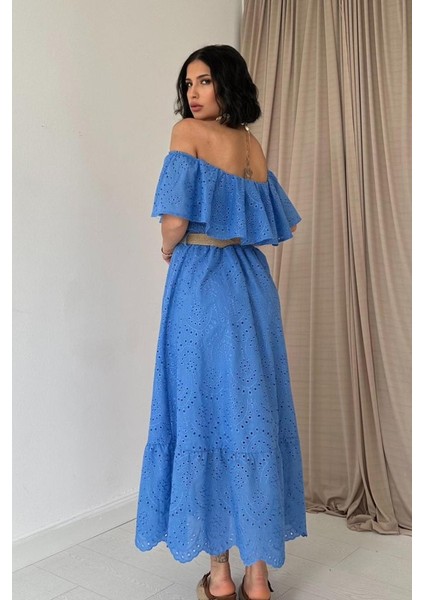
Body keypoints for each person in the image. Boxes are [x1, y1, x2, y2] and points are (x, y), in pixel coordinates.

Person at [135, 44, 307, 600]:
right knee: (251, 412)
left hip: (201, 281)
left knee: (203, 411)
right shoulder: (251, 145)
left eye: (204, 81)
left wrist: (169, 248)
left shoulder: (186, 134)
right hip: (250, 282)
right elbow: (278, 223)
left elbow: (174, 218)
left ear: (227, 83)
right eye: (188, 84)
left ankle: (222, 577)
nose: (192, 93)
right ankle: (259, 579)